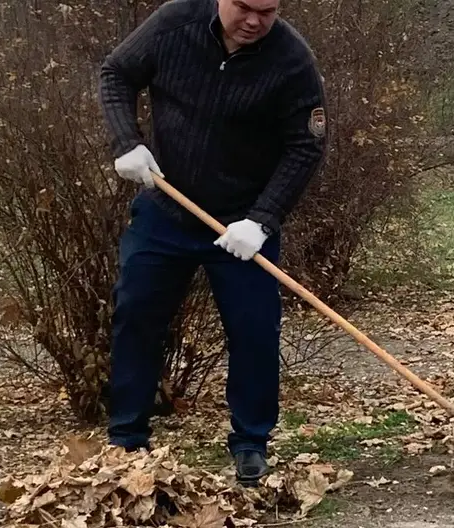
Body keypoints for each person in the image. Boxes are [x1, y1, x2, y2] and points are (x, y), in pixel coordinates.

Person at [98, 0, 327, 486]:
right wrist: (126, 143)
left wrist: (262, 221)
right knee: (136, 314)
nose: (254, 21)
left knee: (254, 332)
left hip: (240, 225)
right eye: (244, 7)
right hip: (166, 212)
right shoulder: (173, 23)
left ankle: (250, 444)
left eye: (267, 11)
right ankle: (126, 438)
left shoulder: (290, 59)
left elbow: (306, 144)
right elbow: (116, 72)